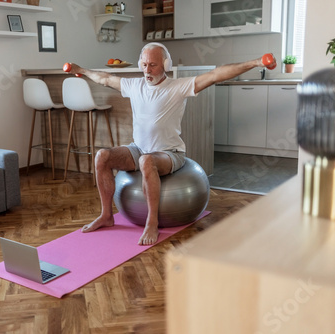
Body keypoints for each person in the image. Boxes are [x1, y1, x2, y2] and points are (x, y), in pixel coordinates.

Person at [66, 42, 274, 246]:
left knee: (147, 161)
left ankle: (152, 222)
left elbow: (215, 75)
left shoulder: (177, 86)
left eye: (153, 65)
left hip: (169, 153)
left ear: (165, 65)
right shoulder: (134, 85)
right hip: (137, 148)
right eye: (145, 64)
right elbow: (104, 78)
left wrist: (256, 63)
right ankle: (106, 215)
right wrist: (81, 70)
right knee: (102, 155)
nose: (148, 70)